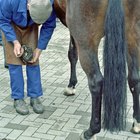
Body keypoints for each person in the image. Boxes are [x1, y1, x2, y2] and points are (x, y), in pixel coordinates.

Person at [0, 0, 56, 115]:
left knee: (33, 61)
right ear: (28, 5)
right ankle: (18, 98)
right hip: (11, 24)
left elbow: (49, 25)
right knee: (14, 63)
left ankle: (34, 97)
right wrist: (15, 42)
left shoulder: (48, 4)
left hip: (31, 25)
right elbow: (3, 20)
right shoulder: (9, 2)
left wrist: (39, 49)